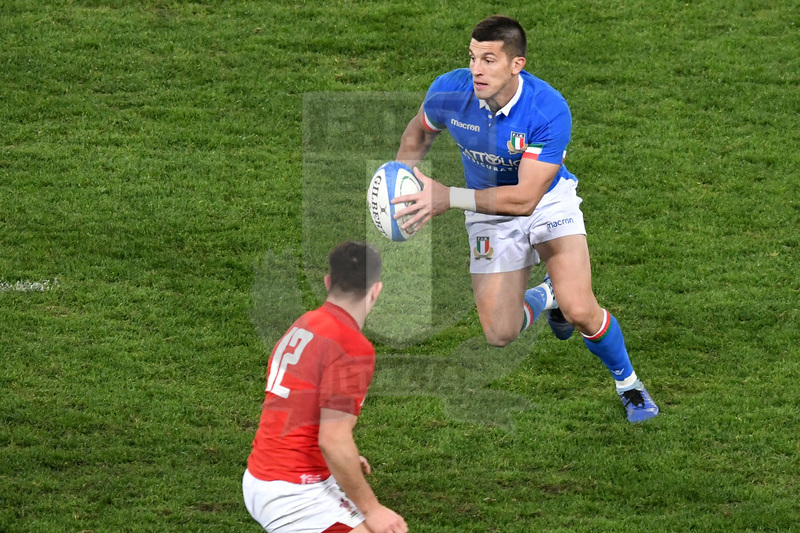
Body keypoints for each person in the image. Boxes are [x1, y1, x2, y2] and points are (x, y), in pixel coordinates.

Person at [392, 15, 658, 423]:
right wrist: (400, 184)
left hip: (547, 204)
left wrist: (449, 198)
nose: (477, 70)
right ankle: (545, 295)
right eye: (472, 57)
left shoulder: (547, 109)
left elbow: (525, 200)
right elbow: (418, 134)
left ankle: (629, 385)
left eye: (489, 59)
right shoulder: (449, 91)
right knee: (500, 334)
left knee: (581, 309)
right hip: (487, 213)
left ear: (517, 64)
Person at [243, 242, 408, 533]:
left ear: (328, 282)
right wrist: (373, 509)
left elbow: (295, 405)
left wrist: (339, 461)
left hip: (265, 473)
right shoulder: (351, 345)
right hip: (294, 492)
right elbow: (332, 439)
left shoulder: (306, 323)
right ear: (376, 290)